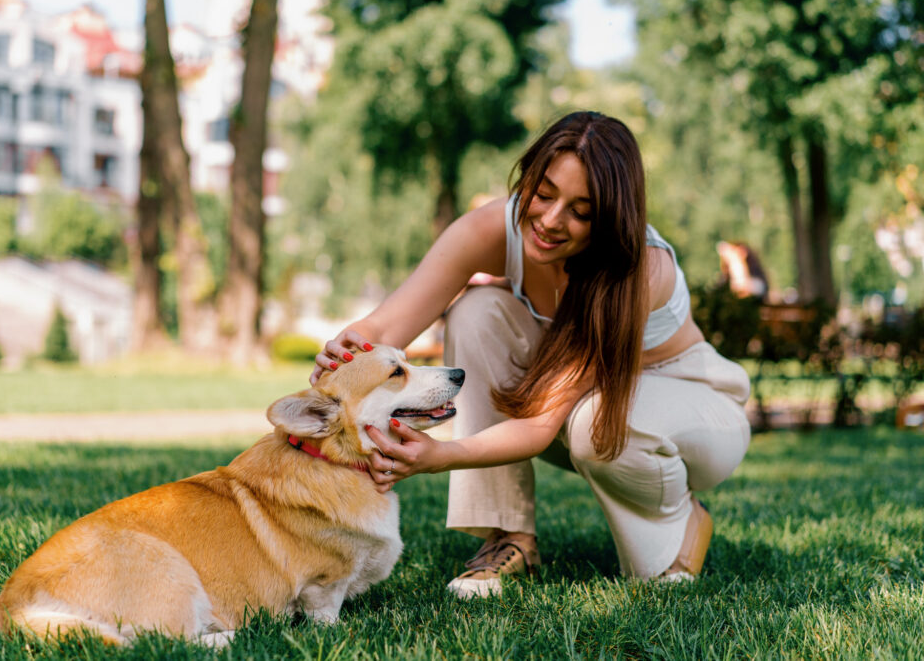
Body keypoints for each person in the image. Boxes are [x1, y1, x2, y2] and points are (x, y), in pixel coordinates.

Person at [311, 111, 751, 597]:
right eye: (543, 194)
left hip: (694, 409)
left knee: (590, 423)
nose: (550, 220)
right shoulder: (491, 228)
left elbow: (543, 425)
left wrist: (441, 455)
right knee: (476, 313)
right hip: (588, 407)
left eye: (581, 212)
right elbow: (386, 326)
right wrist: (350, 347)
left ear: (611, 217)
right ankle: (509, 536)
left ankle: (683, 519)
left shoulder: (638, 270)